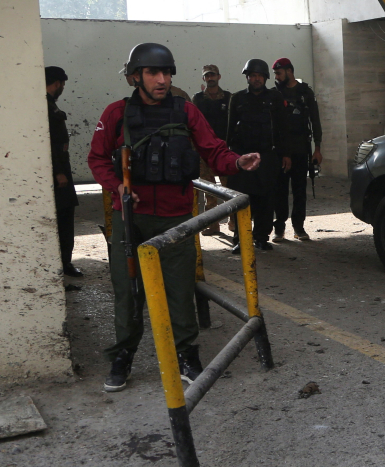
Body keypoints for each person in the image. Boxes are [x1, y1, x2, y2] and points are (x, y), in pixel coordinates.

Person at [87, 42, 261, 392]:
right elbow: (97, 158)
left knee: (179, 290)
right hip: (131, 218)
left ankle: (186, 354)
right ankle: (124, 355)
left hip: (176, 218)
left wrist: (236, 162)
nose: (161, 79)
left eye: (166, 72)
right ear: (135, 76)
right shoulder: (116, 114)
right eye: (153, 72)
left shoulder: (186, 111)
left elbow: (213, 149)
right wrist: (117, 187)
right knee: (128, 290)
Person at [225, 59, 288, 250]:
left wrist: (286, 154)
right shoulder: (237, 99)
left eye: (260, 75)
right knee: (241, 200)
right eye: (253, 75)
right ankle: (240, 240)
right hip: (242, 157)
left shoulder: (275, 98)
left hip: (267, 156)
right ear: (247, 78)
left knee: (266, 199)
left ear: (266, 78)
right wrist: (228, 156)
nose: (256, 79)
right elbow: (229, 129)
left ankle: (261, 238)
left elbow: (283, 128)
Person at [271, 57, 322, 242]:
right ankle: (279, 228)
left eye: (278, 73)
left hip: (301, 148)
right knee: (280, 190)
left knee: (300, 189)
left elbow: (315, 120)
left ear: (289, 71)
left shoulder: (305, 92)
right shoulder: (274, 93)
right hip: (280, 150)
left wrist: (318, 148)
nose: (276, 77)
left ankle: (299, 227)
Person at [45, 66, 81, 277]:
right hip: (58, 174)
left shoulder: (48, 106)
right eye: (63, 85)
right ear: (57, 83)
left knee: (64, 216)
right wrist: (59, 172)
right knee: (64, 218)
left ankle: (64, 262)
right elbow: (49, 144)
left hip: (60, 170)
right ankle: (64, 264)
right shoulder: (47, 108)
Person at [193, 65, 231, 237]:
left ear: (219, 76)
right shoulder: (198, 99)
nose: (210, 78)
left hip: (224, 150)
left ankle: (234, 222)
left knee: (229, 189)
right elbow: (193, 124)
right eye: (207, 76)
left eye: (213, 75)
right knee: (209, 190)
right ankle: (213, 224)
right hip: (205, 152)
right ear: (203, 79)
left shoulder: (230, 98)